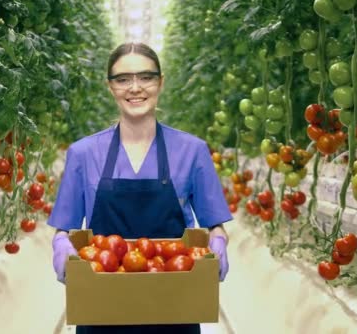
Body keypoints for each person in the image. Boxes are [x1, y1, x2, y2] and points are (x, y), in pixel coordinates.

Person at [48, 42, 232, 334]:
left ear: (161, 82)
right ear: (110, 87)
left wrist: (219, 242)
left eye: (146, 77)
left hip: (176, 309)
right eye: (123, 79)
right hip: (101, 309)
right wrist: (60, 246)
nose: (135, 87)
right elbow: (64, 228)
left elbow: (215, 224)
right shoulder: (83, 153)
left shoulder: (192, 151)